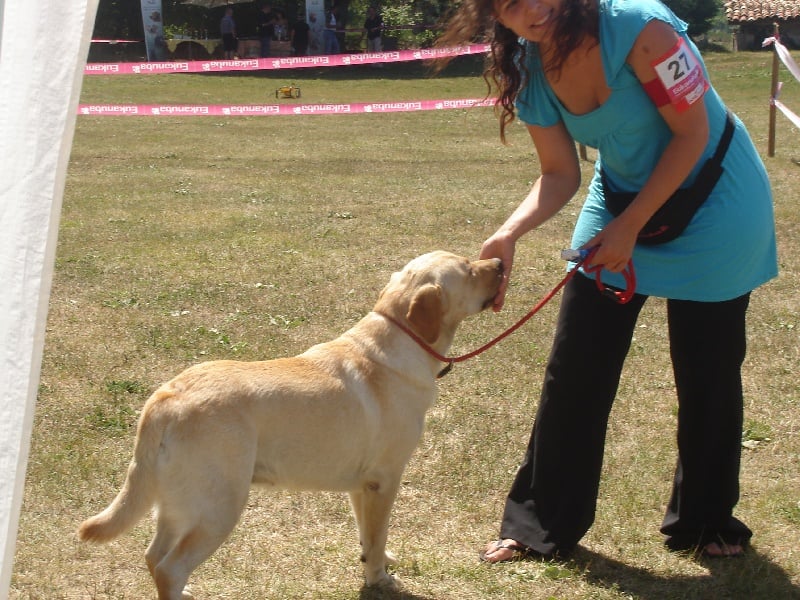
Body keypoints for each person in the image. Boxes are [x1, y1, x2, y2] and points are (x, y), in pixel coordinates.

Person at [435, 0, 778, 562]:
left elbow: (692, 134)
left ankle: (707, 520)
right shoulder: (530, 65)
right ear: (495, 14)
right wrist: (508, 233)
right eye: (512, 4)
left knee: (708, 370)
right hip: (620, 199)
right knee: (576, 365)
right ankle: (540, 524)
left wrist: (631, 227)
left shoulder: (642, 29)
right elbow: (558, 173)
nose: (532, 11)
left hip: (717, 202)